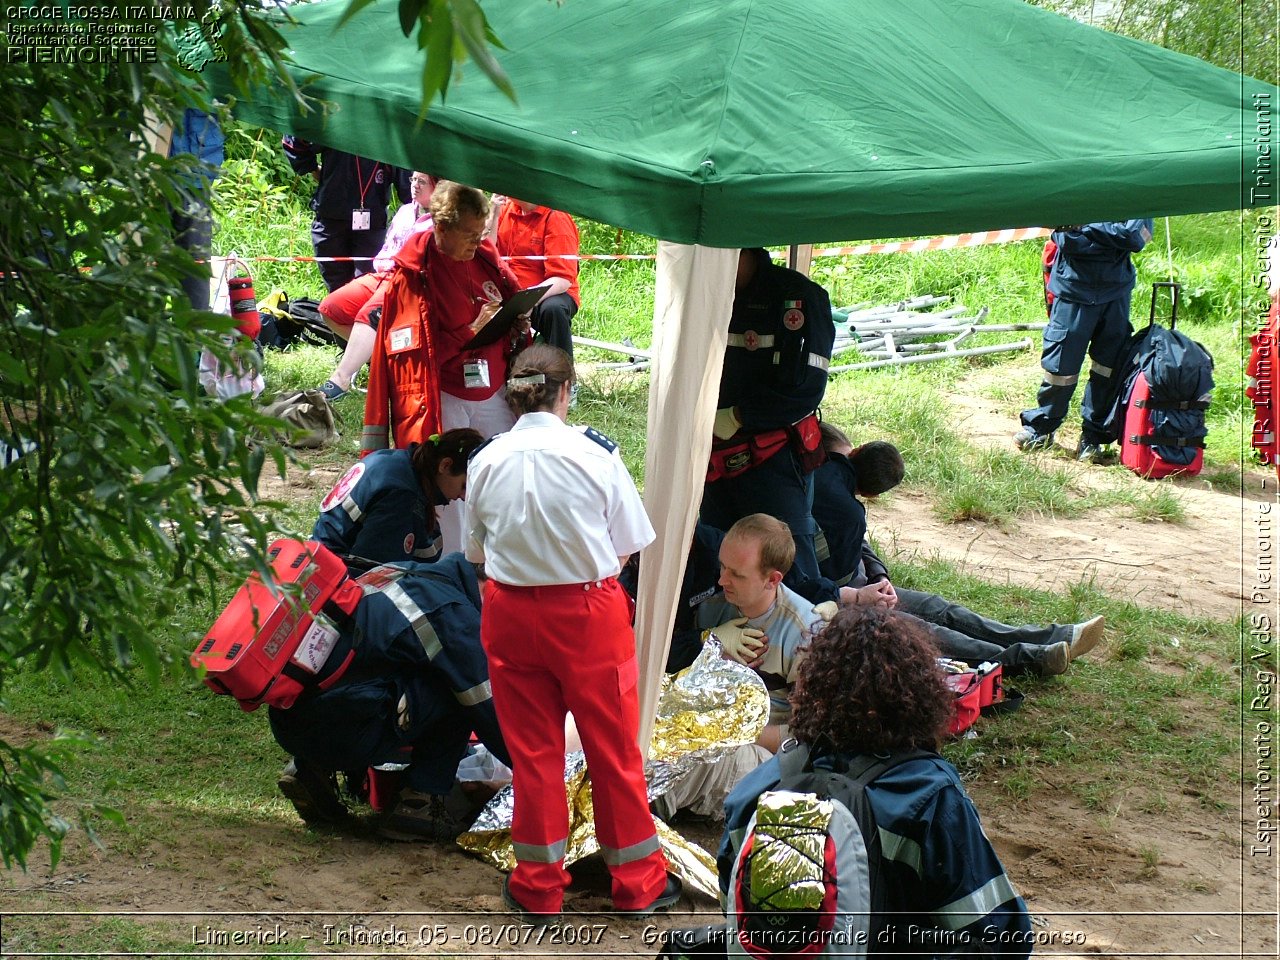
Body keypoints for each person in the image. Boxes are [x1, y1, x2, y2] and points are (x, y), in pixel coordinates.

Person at [465, 344, 681, 921]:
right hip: (586, 612)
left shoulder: (485, 461)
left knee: (533, 754)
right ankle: (638, 884)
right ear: (566, 392)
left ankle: (537, 885)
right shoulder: (595, 455)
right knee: (612, 750)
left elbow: (476, 550)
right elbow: (630, 540)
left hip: (509, 612)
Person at [718, 606, 1033, 956]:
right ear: (917, 694)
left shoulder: (757, 790)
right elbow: (1004, 938)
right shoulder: (927, 796)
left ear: (810, 689)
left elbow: (735, 913)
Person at [815, 423, 1105, 677]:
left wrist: (879, 576)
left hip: (862, 587)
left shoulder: (839, 500)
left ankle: (1053, 636)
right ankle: (1030, 658)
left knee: (938, 608)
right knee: (920, 631)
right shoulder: (822, 506)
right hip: (835, 602)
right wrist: (856, 597)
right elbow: (806, 586)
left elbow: (859, 544)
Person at [270, 553, 511, 842]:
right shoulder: (451, 611)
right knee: (459, 688)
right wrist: (542, 769)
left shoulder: (394, 570)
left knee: (373, 675)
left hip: (288, 720)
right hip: (339, 734)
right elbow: (489, 712)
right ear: (492, 585)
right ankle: (418, 804)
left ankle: (310, 770)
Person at [363, 182, 523, 553]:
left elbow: (509, 297)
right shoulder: (414, 276)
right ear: (441, 228)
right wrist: (471, 331)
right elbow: (414, 359)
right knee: (449, 485)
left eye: (480, 232)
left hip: (493, 388)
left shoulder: (484, 256)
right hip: (444, 396)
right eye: (468, 234)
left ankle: (503, 559)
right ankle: (455, 564)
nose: (476, 241)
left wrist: (516, 315)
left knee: (502, 475)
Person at [701, 248, 835, 585]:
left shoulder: (798, 299)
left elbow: (806, 389)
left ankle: (810, 634)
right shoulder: (707, 295)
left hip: (773, 459)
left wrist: (739, 415)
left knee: (787, 563)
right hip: (715, 457)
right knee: (720, 556)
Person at [1015, 219, 1154, 462]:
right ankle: (1042, 429)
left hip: (1115, 293)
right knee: (1060, 369)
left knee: (1108, 369)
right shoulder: (1078, 188)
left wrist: (1085, 228)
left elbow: (1135, 238)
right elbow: (1068, 241)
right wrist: (1112, 238)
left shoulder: (1133, 190)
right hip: (1072, 290)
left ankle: (1093, 438)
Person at [314, 172, 437, 400]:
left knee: (368, 316)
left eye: (422, 181)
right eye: (412, 180)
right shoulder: (404, 211)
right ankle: (385, 362)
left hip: (408, 281)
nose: (414, 185)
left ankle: (340, 379)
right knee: (330, 309)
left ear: (438, 187)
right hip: (381, 274)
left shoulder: (442, 221)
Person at [311, 428, 483, 566]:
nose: (463, 497)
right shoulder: (403, 498)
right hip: (333, 576)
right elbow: (375, 573)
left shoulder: (397, 461)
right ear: (445, 465)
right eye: (464, 486)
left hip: (320, 556)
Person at [281, 137, 410, 293]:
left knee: (366, 284)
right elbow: (295, 138)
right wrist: (312, 168)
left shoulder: (387, 129)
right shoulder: (335, 117)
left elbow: (409, 182)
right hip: (332, 215)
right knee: (336, 287)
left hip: (371, 220)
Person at [492, 197, 581, 359]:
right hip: (509, 291)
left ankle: (563, 376)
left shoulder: (556, 216)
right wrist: (493, 212)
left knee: (553, 309)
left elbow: (562, 279)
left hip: (549, 292)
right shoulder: (506, 209)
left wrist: (528, 299)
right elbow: (488, 252)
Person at [167, 108, 224, 312]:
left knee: (195, 261)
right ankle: (141, 332)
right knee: (148, 256)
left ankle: (193, 334)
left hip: (197, 173)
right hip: (149, 173)